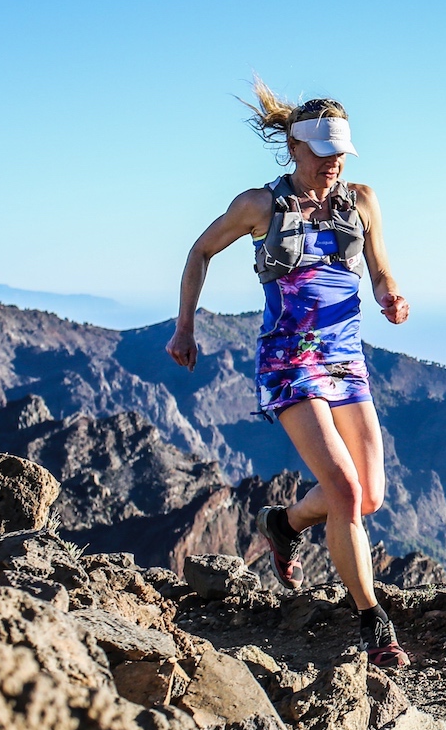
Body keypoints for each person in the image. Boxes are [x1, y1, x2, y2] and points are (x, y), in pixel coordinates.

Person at [166, 79, 411, 668]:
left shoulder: (362, 201)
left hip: (345, 358)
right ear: (294, 148)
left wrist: (390, 295)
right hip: (289, 359)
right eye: (322, 153)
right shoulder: (260, 205)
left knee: (369, 496)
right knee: (344, 488)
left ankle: (284, 522)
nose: (332, 164)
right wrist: (184, 328)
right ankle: (374, 623)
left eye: (339, 154)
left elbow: (380, 269)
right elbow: (200, 251)